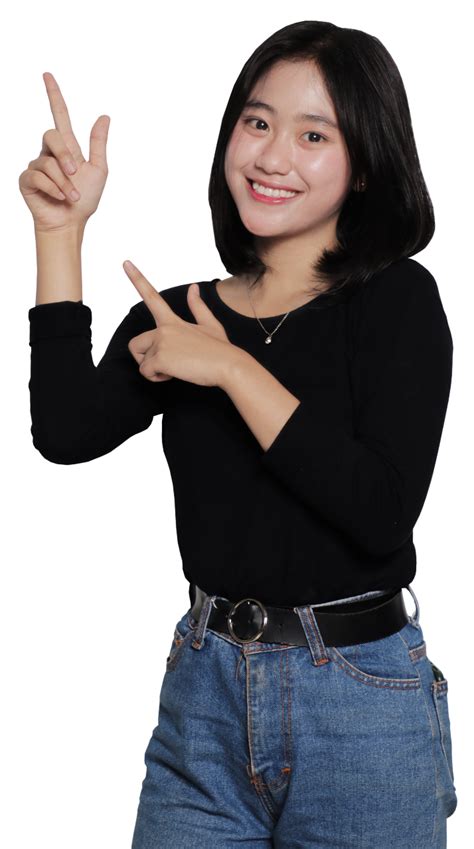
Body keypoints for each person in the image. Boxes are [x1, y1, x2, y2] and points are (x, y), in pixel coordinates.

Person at [20, 19, 458, 849]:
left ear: (365, 164)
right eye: (257, 122)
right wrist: (59, 233)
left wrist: (230, 368)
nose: (272, 156)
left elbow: (378, 511)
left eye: (314, 135)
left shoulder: (396, 299)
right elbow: (65, 431)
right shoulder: (182, 316)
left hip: (360, 703)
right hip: (206, 699)